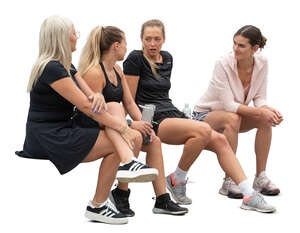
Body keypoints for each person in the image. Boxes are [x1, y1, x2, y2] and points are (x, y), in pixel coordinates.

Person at [15, 15, 158, 225]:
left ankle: (122, 173)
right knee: (120, 140)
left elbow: (89, 97)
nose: (76, 37)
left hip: (65, 128)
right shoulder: (52, 68)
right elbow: (85, 107)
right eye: (74, 33)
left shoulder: (66, 66)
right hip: (48, 137)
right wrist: (124, 127)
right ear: (62, 38)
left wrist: (98, 96)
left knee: (113, 106)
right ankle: (99, 203)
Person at [123, 19, 276, 213]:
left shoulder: (167, 58)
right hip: (152, 118)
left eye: (157, 39)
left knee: (219, 140)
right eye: (148, 39)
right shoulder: (135, 59)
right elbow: (128, 99)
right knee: (203, 128)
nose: (152, 43)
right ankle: (176, 179)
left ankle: (248, 195)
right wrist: (138, 124)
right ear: (141, 39)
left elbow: (163, 96)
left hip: (171, 112)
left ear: (164, 40)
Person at [76, 25, 188, 216]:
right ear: (116, 46)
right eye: (126, 44)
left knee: (153, 140)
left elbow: (128, 101)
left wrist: (144, 124)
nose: (127, 48)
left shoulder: (118, 70)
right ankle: (121, 192)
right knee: (126, 124)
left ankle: (161, 199)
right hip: (93, 126)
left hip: (113, 122)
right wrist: (129, 125)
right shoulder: (94, 73)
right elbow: (95, 114)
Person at [192, 25, 282, 198]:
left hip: (235, 115)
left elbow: (260, 97)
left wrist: (269, 111)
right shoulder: (222, 63)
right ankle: (229, 180)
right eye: (234, 43)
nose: (235, 48)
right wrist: (260, 112)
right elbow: (228, 105)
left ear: (255, 49)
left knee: (266, 120)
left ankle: (260, 177)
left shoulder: (262, 63)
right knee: (232, 118)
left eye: (241, 45)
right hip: (204, 115)